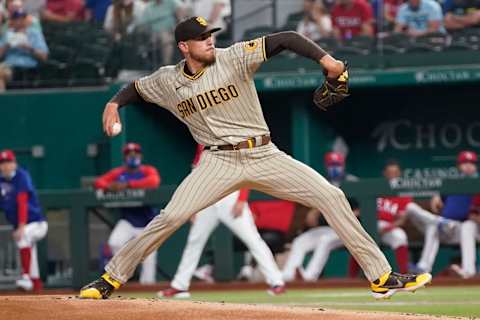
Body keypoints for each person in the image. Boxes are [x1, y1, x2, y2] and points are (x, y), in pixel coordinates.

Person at [79, 16, 431, 300]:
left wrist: (328, 61)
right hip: (217, 163)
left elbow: (286, 38)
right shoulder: (167, 80)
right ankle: (112, 277)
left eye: (210, 35)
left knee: (331, 195)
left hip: (263, 153)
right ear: (184, 47)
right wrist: (113, 104)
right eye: (202, 38)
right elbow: (135, 89)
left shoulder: (232, 57)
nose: (210, 41)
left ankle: (380, 276)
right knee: (170, 216)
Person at [158, 144, 285, 298]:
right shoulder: (201, 139)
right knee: (194, 241)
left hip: (230, 195)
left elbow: (245, 168)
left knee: (252, 240)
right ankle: (180, 286)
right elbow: (197, 173)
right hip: (207, 198)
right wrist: (193, 206)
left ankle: (277, 282)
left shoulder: (231, 133)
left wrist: (242, 198)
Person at [282, 151, 359, 282]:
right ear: (326, 165)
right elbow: (313, 211)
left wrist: (344, 217)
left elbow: (360, 209)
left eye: (337, 164)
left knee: (324, 241)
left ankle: (309, 277)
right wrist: (314, 211)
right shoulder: (321, 181)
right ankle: (288, 276)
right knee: (299, 242)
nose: (335, 167)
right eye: (331, 164)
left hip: (345, 229)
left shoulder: (352, 181)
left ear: (343, 164)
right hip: (326, 227)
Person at [94, 142, 160, 284]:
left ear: (140, 155)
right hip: (128, 220)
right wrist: (109, 186)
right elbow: (99, 182)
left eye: (136, 153)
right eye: (129, 154)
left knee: (149, 258)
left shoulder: (147, 170)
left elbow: (154, 181)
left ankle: (147, 293)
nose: (133, 156)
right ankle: (120, 276)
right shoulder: (119, 173)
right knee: (114, 242)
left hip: (148, 222)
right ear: (124, 157)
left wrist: (129, 185)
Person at [407, 150, 479, 278]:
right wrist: (436, 196)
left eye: (471, 163)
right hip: (449, 227)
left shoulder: (477, 182)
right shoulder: (452, 183)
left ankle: (469, 271)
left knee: (468, 226)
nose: (468, 165)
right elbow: (439, 201)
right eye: (464, 163)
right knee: (431, 224)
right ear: (459, 165)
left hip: (469, 228)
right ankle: (424, 268)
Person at [0, 149, 48, 292]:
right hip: (22, 225)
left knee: (24, 235)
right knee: (28, 247)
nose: (5, 165)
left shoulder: (21, 176)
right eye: (2, 162)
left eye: (8, 162)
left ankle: (25, 276)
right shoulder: (1, 181)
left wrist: (21, 226)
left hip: (37, 223)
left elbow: (22, 202)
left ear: (14, 163)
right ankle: (36, 283)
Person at [0, 9, 48, 91]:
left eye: (22, 18)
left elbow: (44, 57)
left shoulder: (35, 34)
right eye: (16, 19)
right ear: (12, 21)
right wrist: (7, 45)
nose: (19, 21)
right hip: (9, 66)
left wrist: (29, 48)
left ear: (26, 20)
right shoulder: (7, 34)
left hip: (29, 66)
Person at [377, 160, 411, 274]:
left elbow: (402, 219)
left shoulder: (403, 193)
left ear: (399, 174)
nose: (393, 176)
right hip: (372, 225)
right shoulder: (376, 189)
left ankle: (404, 274)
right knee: (360, 240)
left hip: (390, 227)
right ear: (385, 174)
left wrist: (388, 228)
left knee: (400, 237)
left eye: (395, 173)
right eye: (390, 173)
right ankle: (352, 279)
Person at [136, 0, 185, 66]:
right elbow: (143, 24)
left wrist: (178, 27)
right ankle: (162, 65)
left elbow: (180, 13)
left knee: (165, 38)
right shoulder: (148, 6)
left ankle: (166, 63)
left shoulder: (172, 2)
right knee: (162, 38)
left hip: (171, 30)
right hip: (153, 33)